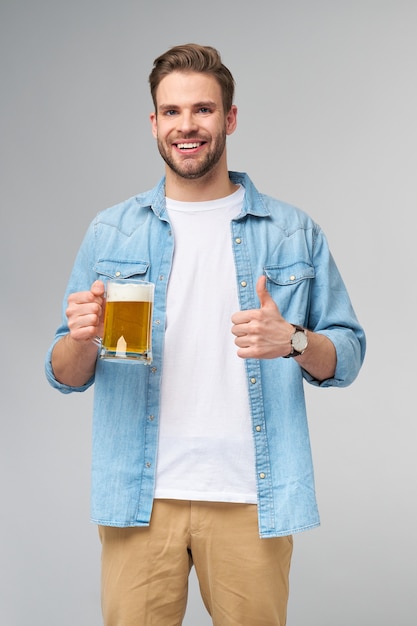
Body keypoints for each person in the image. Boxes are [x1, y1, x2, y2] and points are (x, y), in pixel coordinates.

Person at [45, 43, 366, 626]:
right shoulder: (111, 231)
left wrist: (292, 339)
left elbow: (347, 354)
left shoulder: (291, 232)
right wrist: (81, 338)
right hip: (140, 498)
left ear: (230, 118)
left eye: (203, 110)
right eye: (171, 112)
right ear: (154, 122)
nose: (186, 126)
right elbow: (64, 373)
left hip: (250, 496)